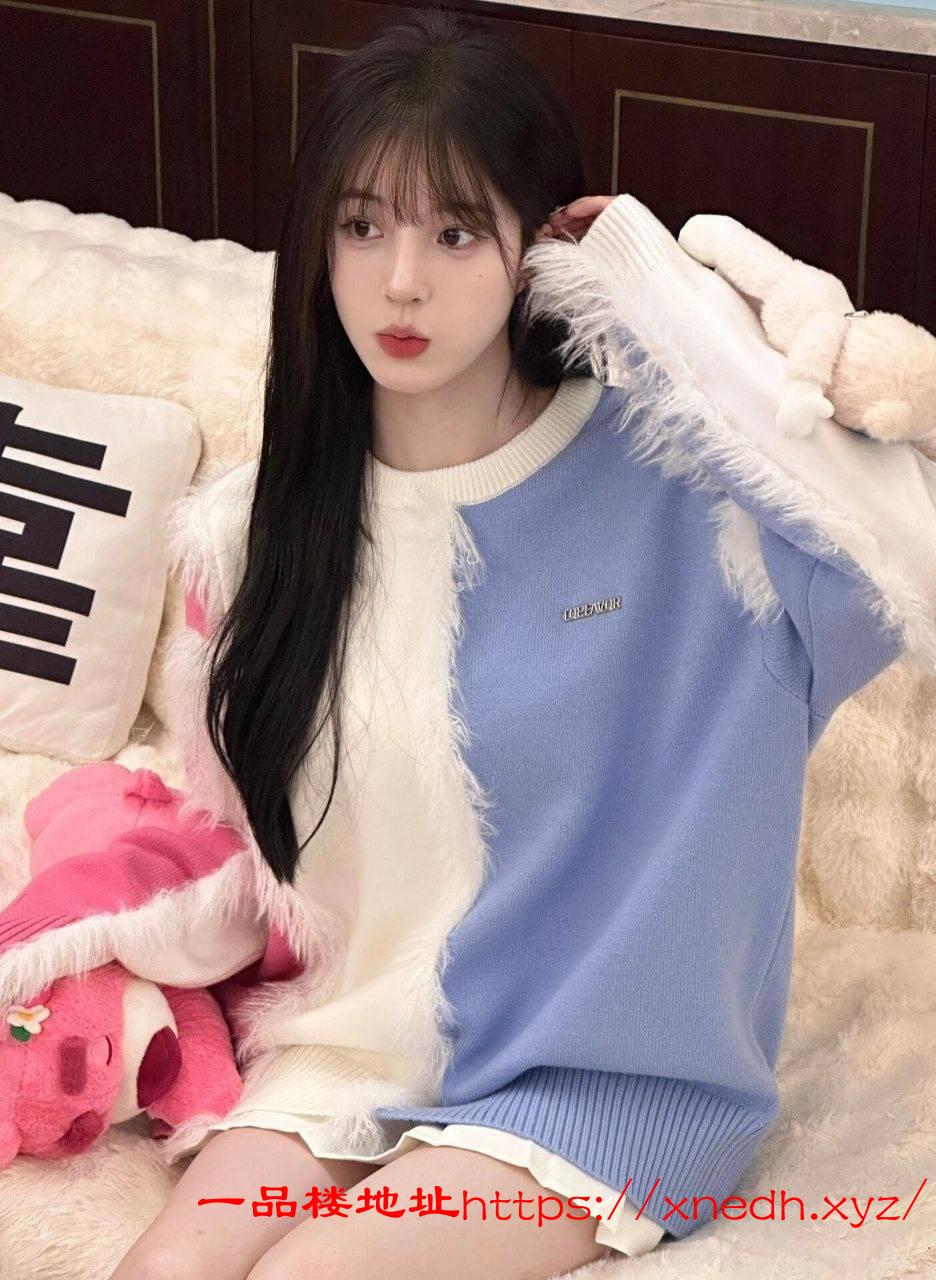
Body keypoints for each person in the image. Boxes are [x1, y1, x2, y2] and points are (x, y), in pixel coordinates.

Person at [107, 6, 936, 1279]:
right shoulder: (266, 527)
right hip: (357, 1049)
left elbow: (906, 563)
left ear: (537, 244)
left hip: (611, 1082)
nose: (401, 281)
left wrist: (665, 305)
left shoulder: (688, 493)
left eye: (455, 232)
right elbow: (248, 830)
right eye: (362, 224)